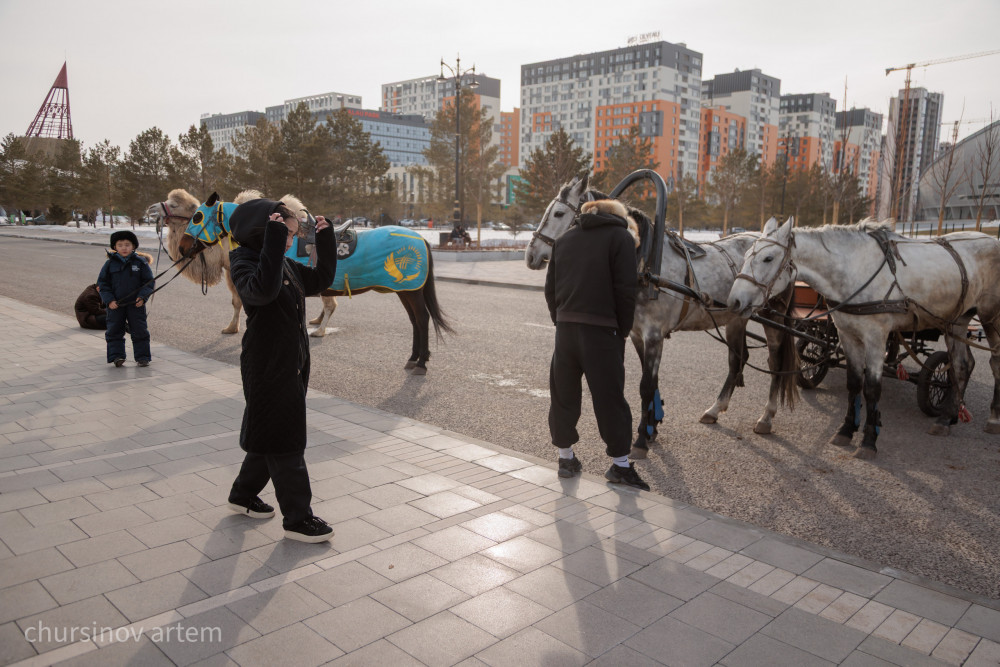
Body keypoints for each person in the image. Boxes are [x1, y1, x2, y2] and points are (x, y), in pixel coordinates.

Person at [225, 196, 337, 543]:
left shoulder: (283, 262)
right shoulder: (243, 262)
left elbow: (318, 280)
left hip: (292, 363)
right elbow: (261, 291)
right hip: (266, 366)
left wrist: (325, 240)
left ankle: (242, 496)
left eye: (291, 236)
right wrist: (274, 242)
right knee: (285, 441)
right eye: (285, 234)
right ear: (263, 231)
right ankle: (298, 518)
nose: (290, 242)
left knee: (267, 434)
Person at [544, 198, 649, 491]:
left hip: (565, 330)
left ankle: (566, 459)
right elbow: (625, 290)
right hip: (602, 332)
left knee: (563, 395)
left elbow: (550, 289)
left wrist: (560, 320)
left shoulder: (564, 239)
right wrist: (622, 330)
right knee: (610, 399)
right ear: (618, 215)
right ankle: (620, 466)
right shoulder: (621, 238)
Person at [97, 231, 154, 367]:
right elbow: (102, 284)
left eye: (127, 245)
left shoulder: (140, 263)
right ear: (115, 247)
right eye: (120, 245)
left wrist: (142, 297)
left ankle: (142, 357)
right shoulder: (109, 264)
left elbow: (149, 282)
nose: (124, 248)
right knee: (114, 330)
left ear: (133, 246)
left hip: (136, 305)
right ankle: (117, 356)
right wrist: (109, 300)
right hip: (115, 305)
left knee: (139, 330)